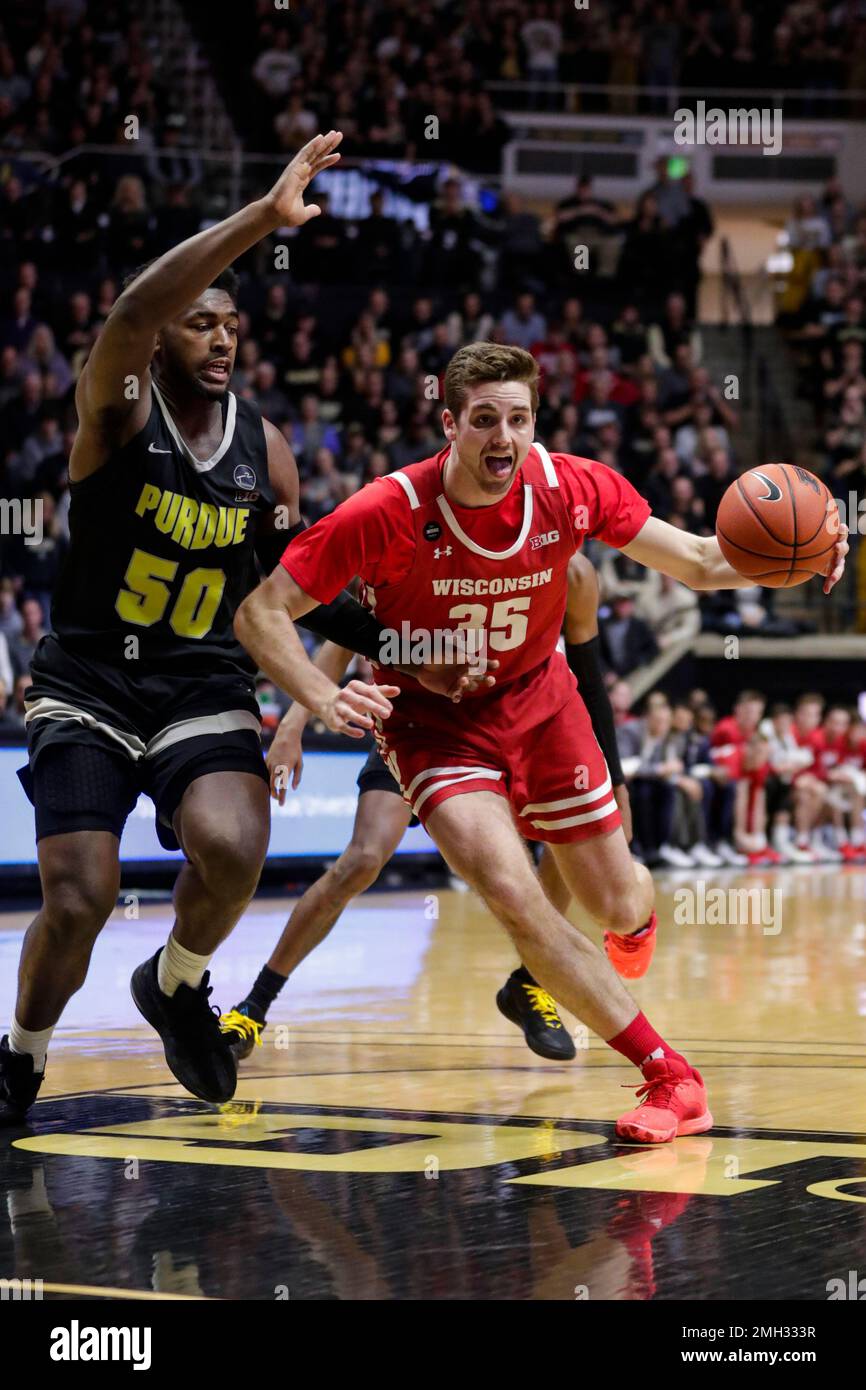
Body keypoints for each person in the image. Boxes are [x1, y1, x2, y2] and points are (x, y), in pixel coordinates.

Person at [230, 339, 849, 1143]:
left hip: (543, 707)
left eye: (518, 419)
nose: (504, 438)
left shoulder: (572, 488)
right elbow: (261, 610)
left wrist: (796, 565)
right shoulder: (386, 510)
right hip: (433, 727)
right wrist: (313, 698)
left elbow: (700, 560)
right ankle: (670, 1077)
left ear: (535, 423)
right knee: (514, 894)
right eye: (484, 420)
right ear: (448, 423)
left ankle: (614, 934)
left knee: (620, 901)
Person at [0, 134, 484, 1127]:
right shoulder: (119, 411)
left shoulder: (266, 449)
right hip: (88, 680)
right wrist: (264, 218)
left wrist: (410, 639)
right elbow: (132, 306)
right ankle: (22, 1053)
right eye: (198, 324)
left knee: (230, 844)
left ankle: (176, 983)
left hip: (200, 683)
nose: (220, 339)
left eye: (230, 325)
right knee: (81, 897)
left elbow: (293, 582)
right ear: (159, 339)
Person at [221, 550, 644, 1065]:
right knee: (361, 861)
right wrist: (292, 729)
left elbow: (587, 669)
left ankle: (530, 983)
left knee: (563, 839)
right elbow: (341, 638)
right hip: (416, 727)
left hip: (510, 726)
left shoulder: (554, 572)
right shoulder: (423, 549)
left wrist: (614, 777)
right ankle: (255, 1005)